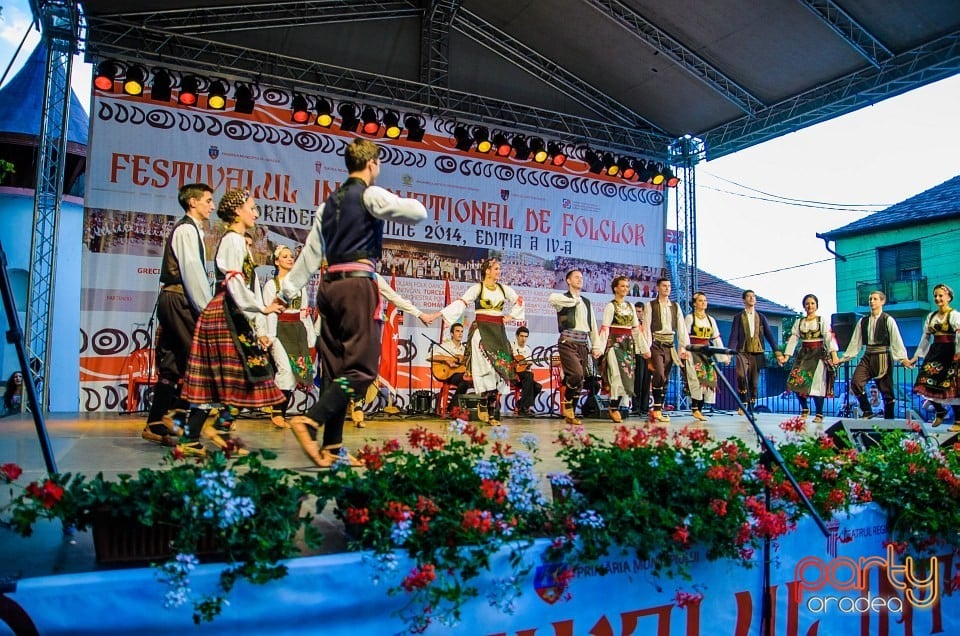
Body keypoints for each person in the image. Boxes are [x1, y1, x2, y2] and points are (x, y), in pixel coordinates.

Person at [281, 139, 427, 467]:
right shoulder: (369, 194)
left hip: (328, 287)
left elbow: (309, 257)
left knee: (335, 370)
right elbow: (417, 213)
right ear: (372, 163)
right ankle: (310, 419)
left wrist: (284, 293)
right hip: (358, 286)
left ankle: (332, 449)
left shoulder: (327, 205)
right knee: (362, 369)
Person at [178, 189, 285, 455]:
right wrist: (261, 308)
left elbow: (245, 285)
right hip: (225, 313)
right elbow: (234, 283)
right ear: (237, 211)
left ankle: (215, 432)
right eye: (252, 207)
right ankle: (198, 436)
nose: (256, 213)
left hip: (234, 312)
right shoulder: (234, 241)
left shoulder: (239, 242)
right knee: (233, 377)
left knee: (247, 377)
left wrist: (258, 318)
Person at [142, 183, 215, 447]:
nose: (212, 205)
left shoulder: (191, 230)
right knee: (197, 360)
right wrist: (207, 310)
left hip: (174, 299)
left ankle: (155, 423)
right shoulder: (186, 229)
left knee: (172, 363)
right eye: (208, 200)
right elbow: (192, 273)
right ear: (192, 202)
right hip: (180, 299)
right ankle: (178, 417)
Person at [440, 258, 524, 426]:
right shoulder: (477, 288)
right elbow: (462, 302)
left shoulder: (504, 289)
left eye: (499, 269)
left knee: (497, 370)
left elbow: (519, 301)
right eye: (496, 269)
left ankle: (491, 411)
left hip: (498, 332)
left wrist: (511, 316)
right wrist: (441, 314)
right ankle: (484, 405)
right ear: (487, 270)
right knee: (485, 369)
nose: (499, 272)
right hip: (481, 332)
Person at [262, 244, 319, 429]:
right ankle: (277, 411)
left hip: (297, 329)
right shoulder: (272, 285)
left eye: (291, 256)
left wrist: (310, 339)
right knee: (285, 369)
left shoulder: (299, 286)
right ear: (276, 261)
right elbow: (268, 312)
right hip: (279, 329)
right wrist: (269, 335)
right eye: (285, 256)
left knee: (297, 372)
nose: (289, 259)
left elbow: (303, 313)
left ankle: (281, 411)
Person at [839, 290, 913, 419]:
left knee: (887, 392)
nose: (872, 301)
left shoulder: (888, 320)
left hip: (883, 355)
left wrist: (902, 359)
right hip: (868, 355)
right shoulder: (863, 321)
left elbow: (896, 340)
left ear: (882, 301)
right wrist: (844, 358)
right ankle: (867, 410)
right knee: (856, 382)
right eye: (870, 299)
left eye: (875, 299)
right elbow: (855, 342)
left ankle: (889, 421)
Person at [549, 269, 603, 425]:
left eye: (581, 277)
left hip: (582, 343)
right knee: (576, 374)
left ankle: (570, 412)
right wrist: (574, 301)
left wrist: (596, 346)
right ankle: (567, 402)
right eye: (576, 277)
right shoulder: (562, 299)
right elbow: (551, 299)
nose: (580, 279)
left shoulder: (586, 302)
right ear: (568, 280)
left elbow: (592, 325)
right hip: (567, 342)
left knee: (581, 379)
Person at [778, 293, 840, 424]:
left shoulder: (821, 320)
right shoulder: (799, 322)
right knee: (795, 382)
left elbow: (828, 337)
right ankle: (805, 408)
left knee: (818, 384)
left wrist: (834, 355)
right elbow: (793, 339)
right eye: (807, 303)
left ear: (816, 305)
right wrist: (787, 356)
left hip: (818, 354)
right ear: (804, 306)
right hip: (804, 354)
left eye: (812, 303)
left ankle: (819, 413)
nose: (810, 306)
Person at [908, 283, 960, 428]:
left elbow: (959, 336)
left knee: (951, 387)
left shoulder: (954, 315)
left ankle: (958, 420)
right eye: (935, 296)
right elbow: (925, 338)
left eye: (941, 296)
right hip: (935, 352)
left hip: (951, 353)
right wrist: (916, 356)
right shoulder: (931, 317)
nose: (937, 298)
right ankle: (940, 411)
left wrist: (958, 353)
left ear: (948, 297)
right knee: (923, 382)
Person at [599, 276, 650, 423]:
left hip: (628, 345)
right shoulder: (611, 306)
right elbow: (605, 328)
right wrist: (600, 348)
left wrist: (644, 348)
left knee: (627, 377)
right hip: (614, 344)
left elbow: (635, 329)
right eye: (622, 286)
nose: (625, 289)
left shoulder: (630, 306)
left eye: (627, 286)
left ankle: (615, 406)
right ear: (615, 288)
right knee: (616, 375)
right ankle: (614, 408)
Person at [727, 289, 782, 415]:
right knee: (741, 376)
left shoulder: (761, 317)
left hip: (756, 353)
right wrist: (729, 354)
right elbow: (734, 336)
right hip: (742, 351)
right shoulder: (738, 317)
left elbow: (769, 335)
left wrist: (777, 353)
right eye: (748, 296)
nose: (752, 298)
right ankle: (743, 403)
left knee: (754, 382)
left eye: (753, 296)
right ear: (744, 300)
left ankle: (751, 406)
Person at [643, 278, 690, 423]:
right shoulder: (650, 305)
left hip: (669, 345)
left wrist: (683, 347)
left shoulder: (675, 306)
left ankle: (658, 409)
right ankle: (657, 409)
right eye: (664, 286)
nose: (667, 288)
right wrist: (647, 348)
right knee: (659, 373)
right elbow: (646, 327)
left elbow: (682, 328)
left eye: (669, 286)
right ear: (658, 288)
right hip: (656, 344)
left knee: (666, 377)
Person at [683, 291, 729, 421]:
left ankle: (700, 409)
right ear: (694, 303)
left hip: (706, 352)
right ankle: (695, 408)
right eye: (700, 300)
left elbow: (716, 338)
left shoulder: (711, 320)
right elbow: (685, 336)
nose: (703, 303)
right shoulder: (690, 318)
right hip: (694, 352)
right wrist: (685, 351)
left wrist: (723, 356)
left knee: (709, 379)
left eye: (705, 301)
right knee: (696, 379)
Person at [432, 322, 472, 414]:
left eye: (462, 331)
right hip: (448, 374)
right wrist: (447, 359)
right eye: (457, 331)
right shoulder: (446, 346)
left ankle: (453, 408)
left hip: (461, 374)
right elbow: (431, 357)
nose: (460, 333)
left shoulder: (465, 349)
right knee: (465, 380)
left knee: (468, 380)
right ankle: (453, 409)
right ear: (451, 334)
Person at [512, 326, 543, 416]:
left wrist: (528, 364)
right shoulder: (511, 346)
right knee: (529, 376)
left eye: (526, 337)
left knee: (537, 386)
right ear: (517, 336)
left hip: (524, 377)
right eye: (521, 336)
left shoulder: (528, 349)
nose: (524, 339)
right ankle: (524, 408)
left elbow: (527, 368)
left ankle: (522, 405)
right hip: (512, 375)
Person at [631, 301, 652, 417]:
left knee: (646, 382)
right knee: (637, 382)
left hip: (647, 354)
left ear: (643, 312)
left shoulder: (647, 324)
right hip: (637, 354)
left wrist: (648, 351)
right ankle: (636, 407)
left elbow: (649, 338)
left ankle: (645, 407)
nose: (637, 314)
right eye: (635, 312)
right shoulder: (633, 325)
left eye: (639, 311)